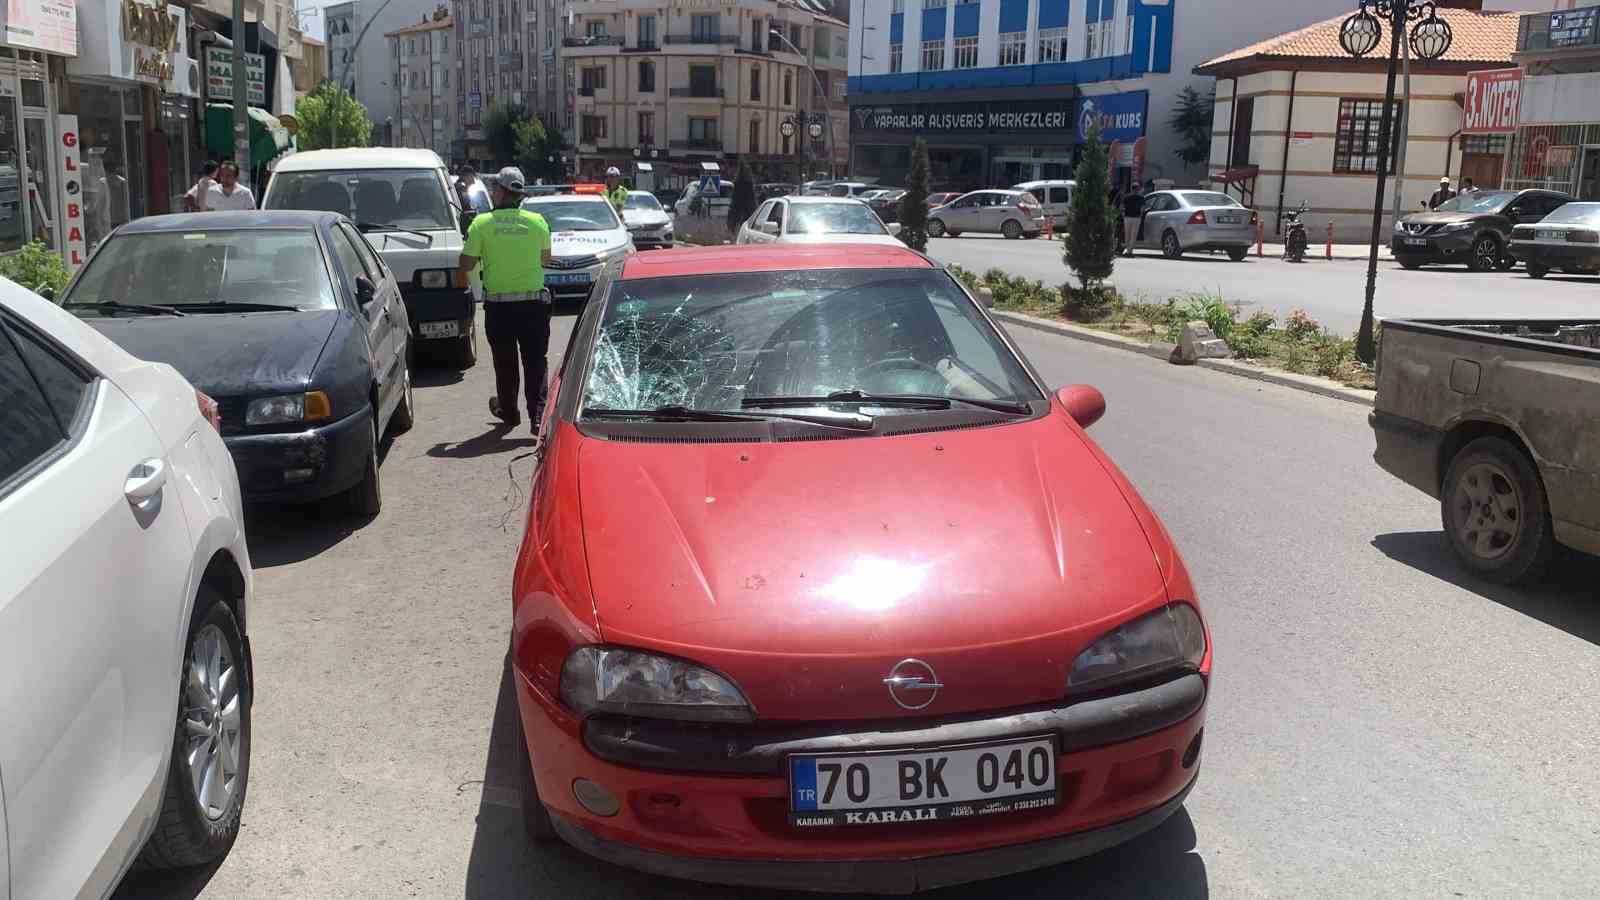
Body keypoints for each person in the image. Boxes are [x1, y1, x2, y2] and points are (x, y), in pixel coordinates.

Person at [458, 167, 554, 433]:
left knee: (505, 363)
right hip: (533, 306)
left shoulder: (481, 223)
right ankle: (537, 417)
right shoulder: (537, 222)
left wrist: (474, 244)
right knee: (536, 361)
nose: (492, 192)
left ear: (501, 191)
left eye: (494, 188)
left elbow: (466, 263)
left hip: (499, 308)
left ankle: (510, 413)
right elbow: (545, 259)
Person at [1121, 180, 1149, 256]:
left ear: (1131, 189)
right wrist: (1141, 214)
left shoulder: (1126, 197)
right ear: (1138, 189)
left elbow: (1122, 207)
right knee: (1134, 235)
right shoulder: (1141, 198)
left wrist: (1123, 214)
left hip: (1127, 217)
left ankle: (1127, 250)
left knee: (1127, 234)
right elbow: (1143, 208)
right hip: (1136, 218)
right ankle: (1130, 251)